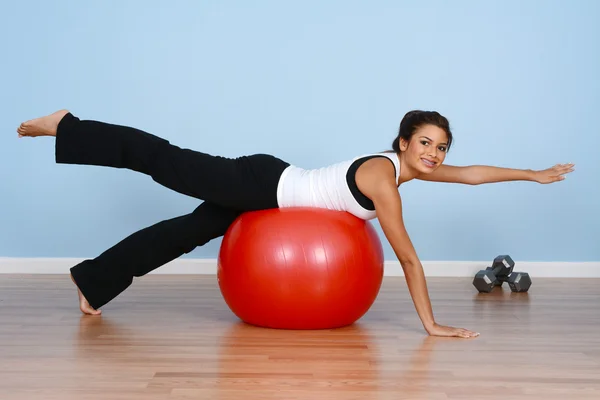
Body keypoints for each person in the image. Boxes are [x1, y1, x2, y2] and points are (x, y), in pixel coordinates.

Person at [17, 109, 574, 338]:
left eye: (441, 147)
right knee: (164, 159)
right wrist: (431, 325)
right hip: (260, 185)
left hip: (273, 191)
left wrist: (535, 174)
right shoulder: (385, 178)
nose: (434, 154)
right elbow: (406, 255)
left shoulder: (410, 171)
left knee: (186, 232)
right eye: (425, 144)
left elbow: (471, 175)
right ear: (403, 143)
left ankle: (94, 281)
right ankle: (68, 126)